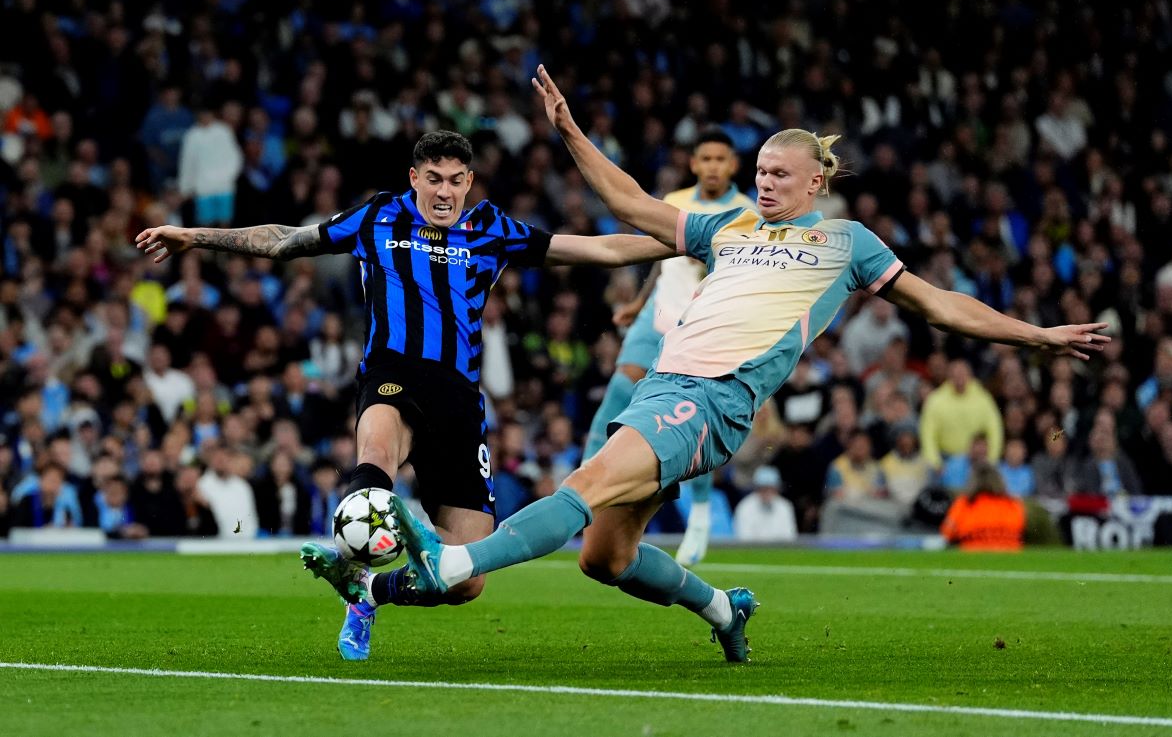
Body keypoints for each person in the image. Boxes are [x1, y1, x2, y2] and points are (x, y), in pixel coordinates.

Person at [329, 66, 1108, 664]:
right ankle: (724, 611)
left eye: (778, 175)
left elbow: (940, 304)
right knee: (606, 557)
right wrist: (569, 132)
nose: (764, 183)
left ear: (817, 182)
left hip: (716, 400)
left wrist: (1036, 336)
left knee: (584, 484)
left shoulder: (848, 243)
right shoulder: (727, 229)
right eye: (760, 172)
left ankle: (447, 558)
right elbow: (633, 206)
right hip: (666, 388)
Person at [136, 129, 677, 660]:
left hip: (459, 401)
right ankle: (357, 550)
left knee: (467, 581)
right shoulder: (379, 215)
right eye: (434, 179)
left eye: (456, 181)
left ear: (470, 182)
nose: (444, 191)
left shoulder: (493, 229)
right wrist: (195, 236)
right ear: (414, 178)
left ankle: (367, 594)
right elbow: (286, 241)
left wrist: (690, 239)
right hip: (393, 375)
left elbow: (602, 248)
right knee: (375, 458)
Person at [583, 128, 755, 567]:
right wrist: (637, 303)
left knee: (692, 421)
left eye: (721, 158)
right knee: (618, 395)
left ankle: (699, 513)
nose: (713, 166)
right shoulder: (675, 202)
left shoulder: (748, 213)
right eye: (706, 158)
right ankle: (581, 494)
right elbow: (661, 261)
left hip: (699, 324)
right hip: (655, 317)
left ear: (733, 165)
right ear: (694, 163)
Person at [940, 464, 1026, 550]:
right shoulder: (1013, 503)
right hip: (1010, 557)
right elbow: (1023, 530)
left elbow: (947, 533)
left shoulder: (964, 503)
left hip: (973, 557)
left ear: (972, 482)